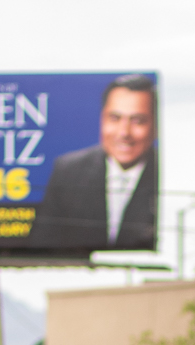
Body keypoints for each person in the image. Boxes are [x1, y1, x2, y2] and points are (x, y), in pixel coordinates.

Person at [33, 74, 157, 251]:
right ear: (102, 119)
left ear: (155, 126)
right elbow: (43, 244)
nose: (124, 133)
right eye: (115, 118)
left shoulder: (164, 173)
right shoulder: (67, 170)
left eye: (138, 121)